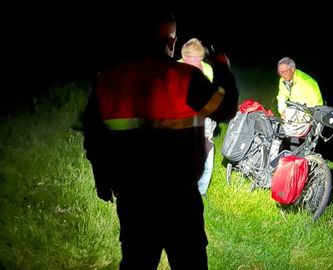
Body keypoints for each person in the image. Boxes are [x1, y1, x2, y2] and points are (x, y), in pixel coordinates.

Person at [82, 12, 238, 269]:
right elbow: (226, 108)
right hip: (180, 198)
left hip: (134, 197)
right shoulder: (185, 78)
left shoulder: (108, 80)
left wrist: (101, 178)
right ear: (171, 42)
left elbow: (94, 136)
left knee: (136, 261)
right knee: (190, 262)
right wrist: (221, 67)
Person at [178, 38, 217, 197]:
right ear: (184, 57)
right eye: (192, 59)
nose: (197, 64)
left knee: (206, 152)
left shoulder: (207, 69)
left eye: (199, 59)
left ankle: (201, 190)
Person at [276, 57, 324, 150]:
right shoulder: (283, 80)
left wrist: (305, 116)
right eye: (280, 72)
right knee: (282, 133)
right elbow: (281, 96)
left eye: (285, 71)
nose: (282, 74)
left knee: (297, 141)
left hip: (308, 115)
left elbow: (317, 104)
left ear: (293, 69)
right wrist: (282, 111)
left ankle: (305, 158)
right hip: (296, 112)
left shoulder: (307, 82)